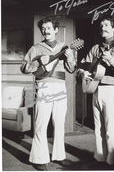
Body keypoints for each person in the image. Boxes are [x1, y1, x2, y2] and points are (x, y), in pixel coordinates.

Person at [20, 16, 77, 170]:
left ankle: (59, 156)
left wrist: (71, 57)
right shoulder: (35, 48)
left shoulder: (65, 47)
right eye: (43, 29)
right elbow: (24, 68)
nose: (45, 31)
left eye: (49, 28)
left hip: (60, 87)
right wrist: (38, 62)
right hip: (43, 86)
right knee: (40, 123)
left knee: (59, 124)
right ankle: (39, 159)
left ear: (56, 30)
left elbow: (71, 69)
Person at [77, 15, 114, 168]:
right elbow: (83, 66)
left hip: (111, 90)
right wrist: (82, 73)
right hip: (95, 89)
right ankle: (100, 159)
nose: (103, 28)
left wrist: (111, 60)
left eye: (106, 25)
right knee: (98, 127)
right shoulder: (95, 48)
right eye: (101, 26)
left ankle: (113, 162)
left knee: (110, 128)